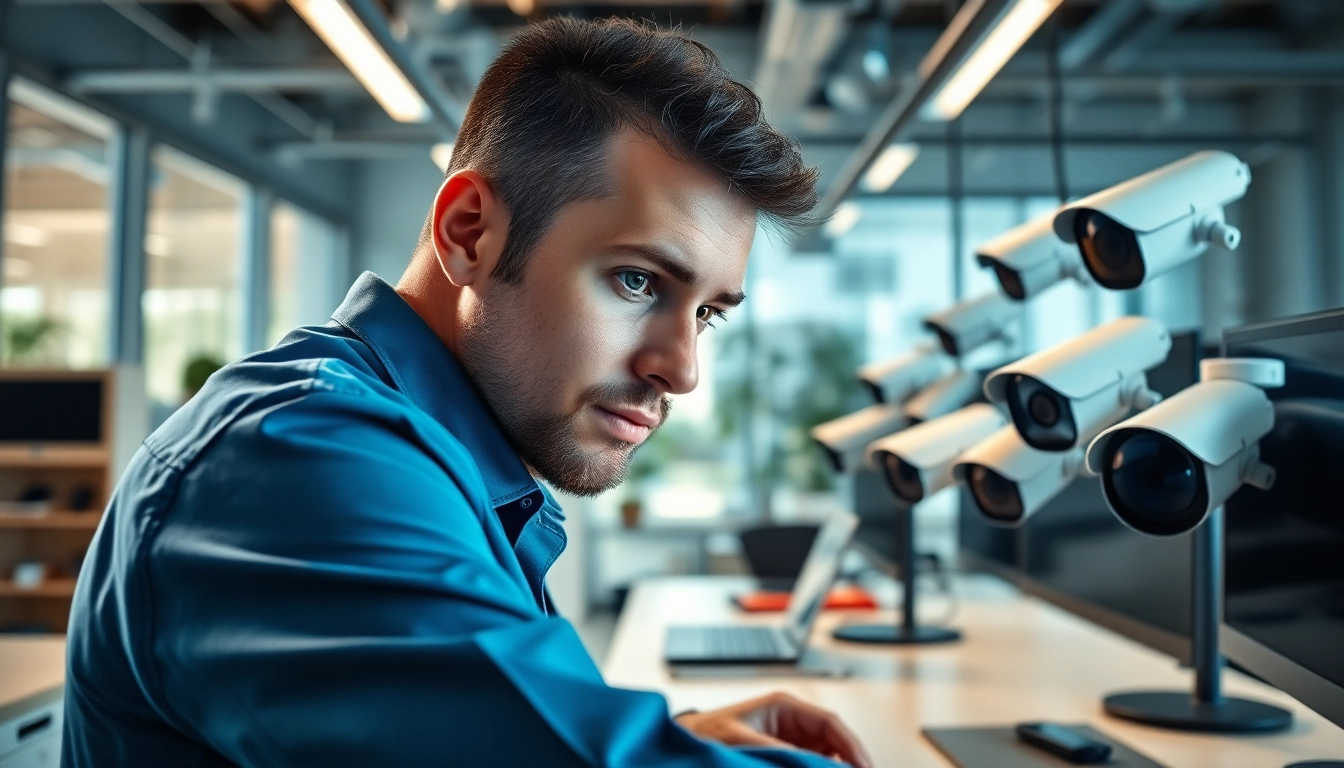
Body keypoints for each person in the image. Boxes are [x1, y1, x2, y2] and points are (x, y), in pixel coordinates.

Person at [62, 17, 872, 768]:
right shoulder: (301, 454)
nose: (683, 370)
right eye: (637, 281)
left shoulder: (444, 462)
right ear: (469, 232)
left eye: (707, 314)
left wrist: (672, 740)